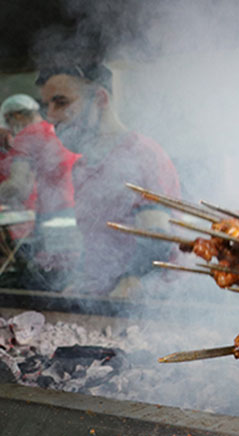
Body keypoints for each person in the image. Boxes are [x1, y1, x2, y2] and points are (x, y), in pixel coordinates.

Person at [36, 63, 181, 297]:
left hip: (144, 303)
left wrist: (130, 281)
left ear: (101, 99)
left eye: (61, 102)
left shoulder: (142, 154)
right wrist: (81, 280)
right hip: (100, 298)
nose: (51, 116)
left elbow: (158, 236)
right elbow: (95, 238)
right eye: (46, 106)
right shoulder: (82, 167)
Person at [1, 94, 79, 221]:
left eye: (9, 121)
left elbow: (17, 185)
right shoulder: (56, 129)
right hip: (77, 207)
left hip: (52, 212)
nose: (10, 128)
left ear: (17, 116)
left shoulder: (26, 136)